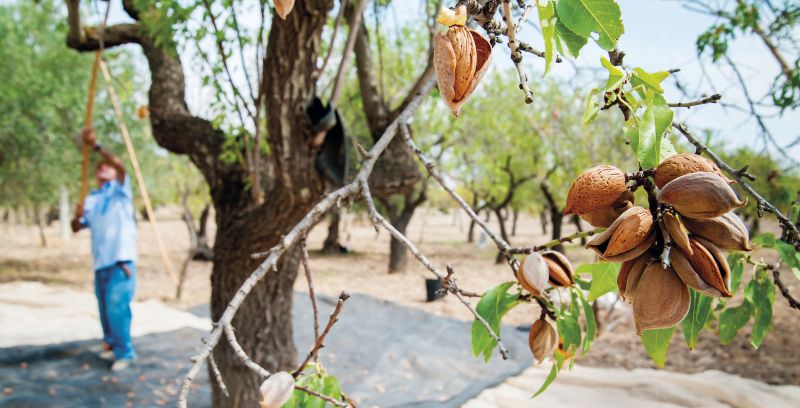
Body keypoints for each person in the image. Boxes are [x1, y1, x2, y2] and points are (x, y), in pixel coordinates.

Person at [71, 128, 137, 371]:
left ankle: (125, 353)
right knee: (104, 309)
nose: (103, 169)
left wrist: (95, 145)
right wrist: (76, 216)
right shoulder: (92, 198)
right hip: (101, 263)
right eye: (99, 168)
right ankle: (111, 345)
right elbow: (77, 227)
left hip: (121, 260)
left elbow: (119, 165)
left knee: (117, 307)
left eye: (106, 167)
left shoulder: (120, 191)